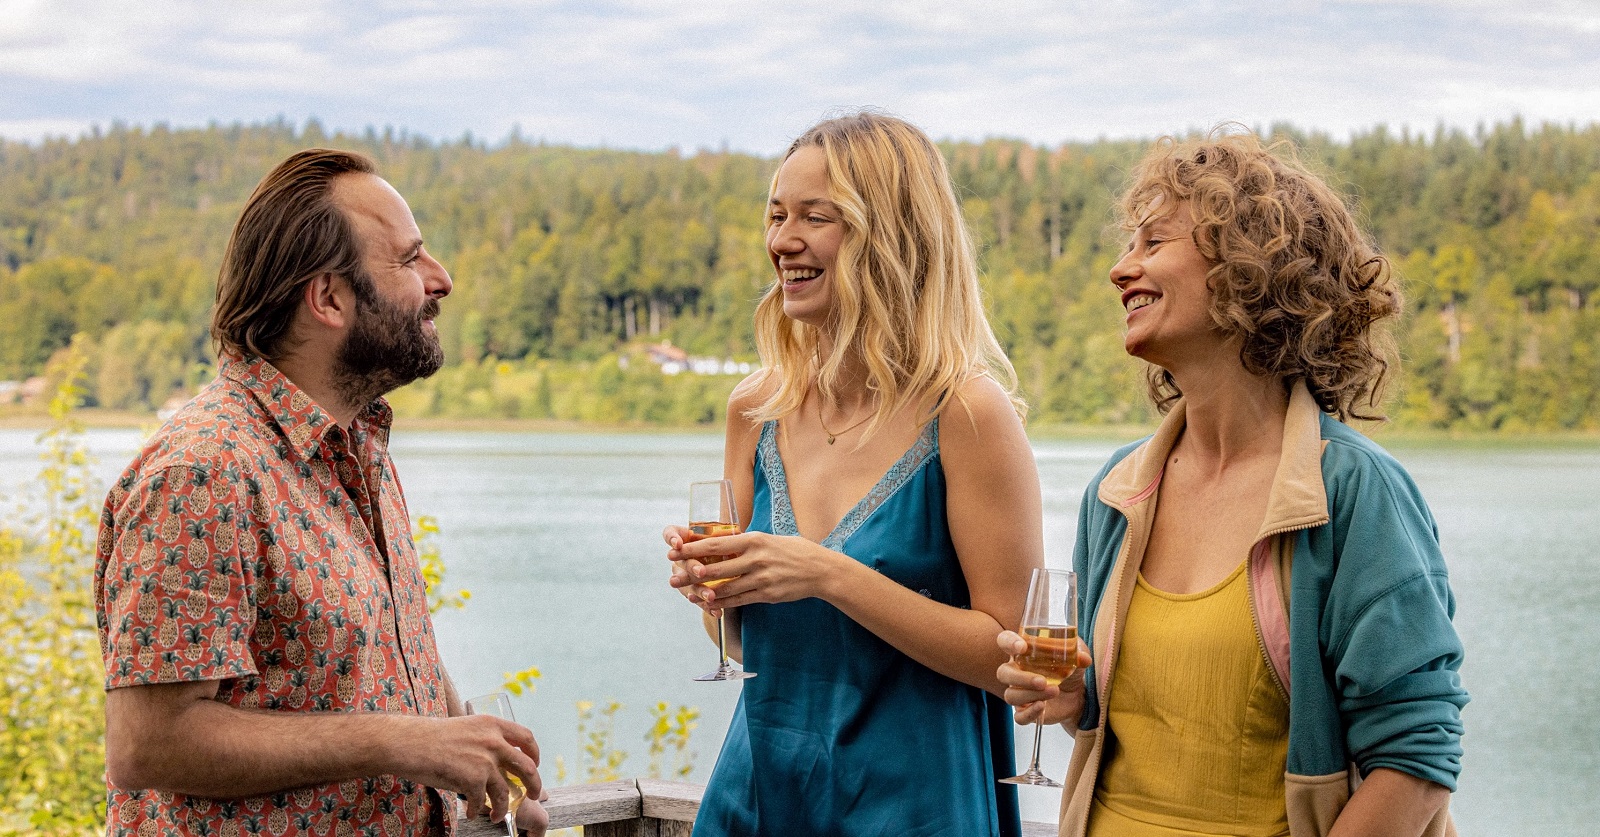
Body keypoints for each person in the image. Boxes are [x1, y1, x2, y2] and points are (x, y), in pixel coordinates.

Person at [996, 130, 1469, 837]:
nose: (1121, 270)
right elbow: (1133, 732)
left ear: (1248, 267)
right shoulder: (1116, 492)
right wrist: (1072, 697)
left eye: (1153, 243)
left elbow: (1416, 754)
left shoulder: (1353, 490)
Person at [94, 149, 548, 837]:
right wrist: (406, 741)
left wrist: (472, 759)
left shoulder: (357, 445)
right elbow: (148, 743)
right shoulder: (203, 474)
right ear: (329, 298)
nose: (442, 278)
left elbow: (379, 652)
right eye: (410, 258)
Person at [662, 112, 1043, 836]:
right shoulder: (756, 407)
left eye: (816, 216)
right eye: (776, 215)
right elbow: (748, 641)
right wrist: (711, 592)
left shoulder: (967, 413)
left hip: (915, 807)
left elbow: (1010, 660)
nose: (783, 240)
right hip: (758, 797)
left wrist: (826, 573)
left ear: (890, 235)